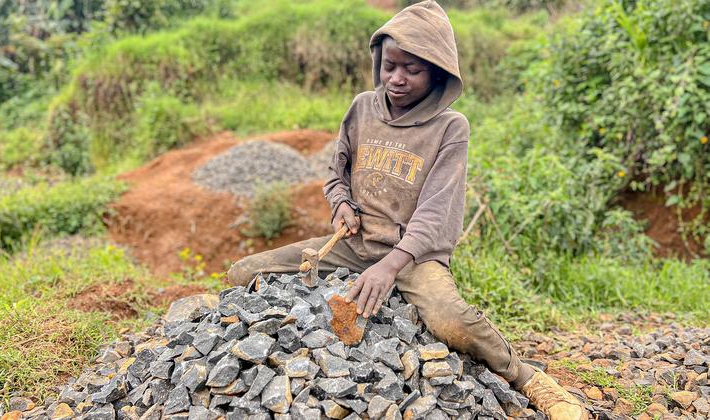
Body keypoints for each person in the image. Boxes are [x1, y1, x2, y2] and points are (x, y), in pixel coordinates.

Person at [227, 1, 586, 419]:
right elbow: (335, 170)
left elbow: (436, 213)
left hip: (414, 256)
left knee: (452, 321)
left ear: (436, 72)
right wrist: (341, 204)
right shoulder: (363, 107)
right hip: (354, 244)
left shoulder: (451, 128)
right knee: (243, 273)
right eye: (389, 66)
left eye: (411, 70)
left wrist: (389, 267)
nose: (396, 79)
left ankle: (528, 377)